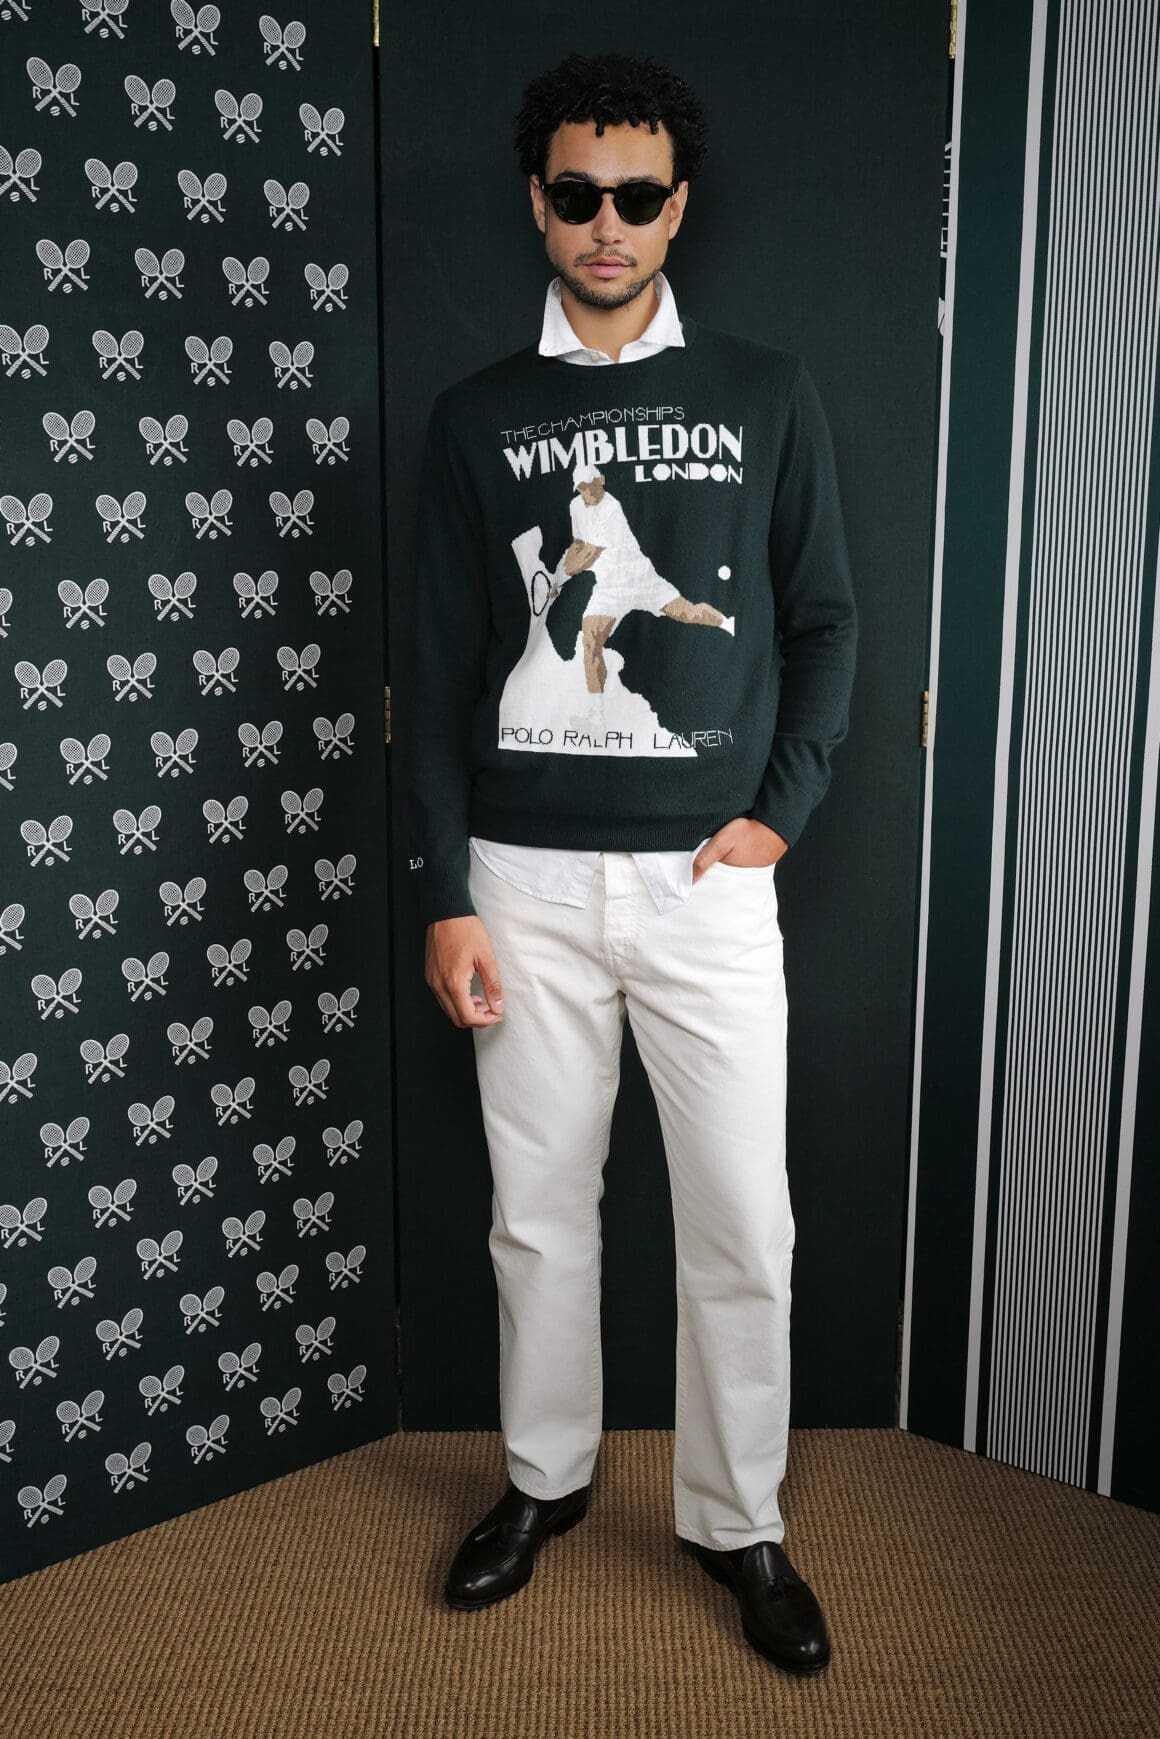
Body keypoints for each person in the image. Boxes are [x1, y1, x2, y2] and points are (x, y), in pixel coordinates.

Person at [404, 49, 858, 1676]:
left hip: (705, 886)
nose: (609, 222)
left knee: (744, 1223)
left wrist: (780, 813)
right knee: (538, 1216)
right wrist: (445, 891)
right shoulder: (479, 417)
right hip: (521, 884)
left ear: (679, 206)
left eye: (639, 194)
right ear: (539, 203)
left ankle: (740, 1520)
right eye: (579, 192)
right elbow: (437, 669)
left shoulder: (765, 391)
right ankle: (544, 1482)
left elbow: (823, 621)